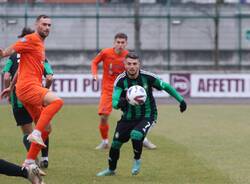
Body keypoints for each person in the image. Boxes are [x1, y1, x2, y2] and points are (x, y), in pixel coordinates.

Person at [96, 52, 187, 176]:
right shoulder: (121, 80)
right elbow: (114, 101)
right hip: (127, 117)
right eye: (129, 64)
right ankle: (111, 170)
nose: (132, 66)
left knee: (136, 134)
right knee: (116, 144)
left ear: (139, 64)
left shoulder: (147, 77)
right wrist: (119, 103)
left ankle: (137, 160)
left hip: (147, 115)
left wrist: (181, 100)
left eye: (134, 64)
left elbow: (166, 86)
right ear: (125, 65)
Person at [0, 14, 64, 169]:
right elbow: (13, 48)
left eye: (49, 25)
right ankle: (35, 133)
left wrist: (10, 86)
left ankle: (29, 161)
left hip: (23, 89)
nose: (47, 27)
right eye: (44, 24)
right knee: (57, 102)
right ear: (37, 24)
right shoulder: (30, 39)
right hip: (28, 88)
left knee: (47, 128)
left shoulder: (40, 45)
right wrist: (3, 53)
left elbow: (20, 68)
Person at [91, 32, 156, 150]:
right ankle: (105, 141)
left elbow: (137, 71)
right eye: (118, 42)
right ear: (114, 43)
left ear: (126, 44)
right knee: (104, 116)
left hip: (125, 90)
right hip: (108, 90)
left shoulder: (128, 56)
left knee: (137, 115)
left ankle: (143, 139)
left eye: (123, 42)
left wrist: (147, 84)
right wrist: (94, 74)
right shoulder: (106, 52)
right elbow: (94, 62)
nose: (120, 45)